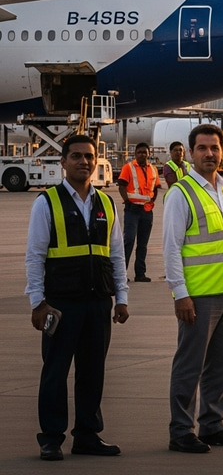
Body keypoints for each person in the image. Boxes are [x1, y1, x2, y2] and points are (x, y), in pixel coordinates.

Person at [25, 133, 129, 461]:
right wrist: (38, 302)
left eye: (89, 157)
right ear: (63, 162)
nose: (84, 162)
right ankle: (51, 437)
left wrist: (121, 297)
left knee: (92, 371)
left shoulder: (106, 203)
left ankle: (87, 435)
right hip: (60, 304)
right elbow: (34, 255)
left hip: (98, 302)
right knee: (55, 371)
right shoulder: (47, 202)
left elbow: (116, 254)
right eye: (76, 156)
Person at [162, 123, 223, 453]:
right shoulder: (181, 193)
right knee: (190, 365)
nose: (209, 154)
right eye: (202, 148)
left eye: (214, 148)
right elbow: (171, 248)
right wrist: (180, 293)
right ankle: (181, 430)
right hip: (198, 296)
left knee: (221, 364)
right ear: (191, 153)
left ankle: (212, 424)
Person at [118, 142, 160, 282]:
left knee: (143, 244)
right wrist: (127, 201)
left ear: (148, 154)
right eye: (140, 152)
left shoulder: (153, 169)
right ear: (135, 154)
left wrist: (152, 199)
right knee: (129, 240)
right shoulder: (128, 167)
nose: (142, 154)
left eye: (145, 152)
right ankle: (121, 274)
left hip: (146, 211)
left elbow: (155, 188)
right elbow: (122, 186)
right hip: (132, 210)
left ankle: (140, 274)